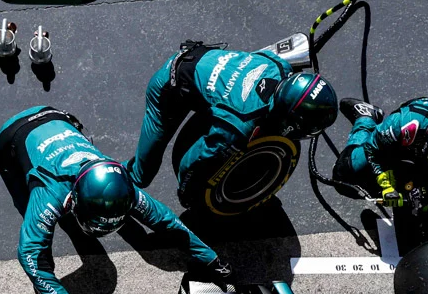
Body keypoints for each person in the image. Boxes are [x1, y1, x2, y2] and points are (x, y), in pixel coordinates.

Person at [0, 105, 229, 294]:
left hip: (57, 119)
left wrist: (212, 260)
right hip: (13, 137)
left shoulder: (125, 187)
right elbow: (30, 254)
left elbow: (167, 222)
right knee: (34, 227)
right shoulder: (49, 194)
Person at [131, 41, 337, 215]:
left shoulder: (280, 66)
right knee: (142, 176)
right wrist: (186, 193)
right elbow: (194, 162)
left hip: (208, 64)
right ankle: (109, 178)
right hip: (169, 85)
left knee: (227, 107)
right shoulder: (238, 125)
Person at [332, 98, 428, 250]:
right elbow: (372, 151)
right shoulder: (403, 124)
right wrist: (386, 185)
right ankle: (366, 118)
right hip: (399, 146)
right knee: (344, 176)